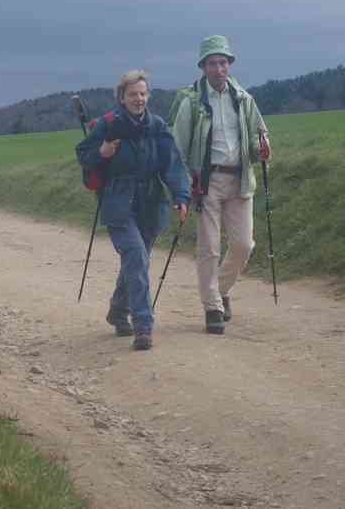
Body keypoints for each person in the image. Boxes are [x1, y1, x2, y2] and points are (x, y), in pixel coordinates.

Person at [76, 70, 190, 351]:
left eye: (142, 93)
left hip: (151, 203)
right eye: (132, 94)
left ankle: (117, 310)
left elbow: (171, 164)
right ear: (122, 98)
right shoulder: (106, 125)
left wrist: (181, 195)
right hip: (118, 202)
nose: (138, 99)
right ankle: (143, 326)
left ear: (148, 95)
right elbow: (83, 155)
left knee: (135, 262)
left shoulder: (157, 125)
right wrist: (101, 153)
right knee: (137, 256)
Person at [170, 35, 271, 335]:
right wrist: (183, 183)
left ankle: (221, 289)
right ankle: (212, 307)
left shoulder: (244, 99)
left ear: (230, 65)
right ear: (203, 67)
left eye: (223, 62)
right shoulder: (190, 101)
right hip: (206, 182)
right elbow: (177, 146)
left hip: (240, 179)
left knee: (243, 245)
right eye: (212, 63)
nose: (218, 68)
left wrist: (262, 148)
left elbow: (257, 136)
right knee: (209, 248)